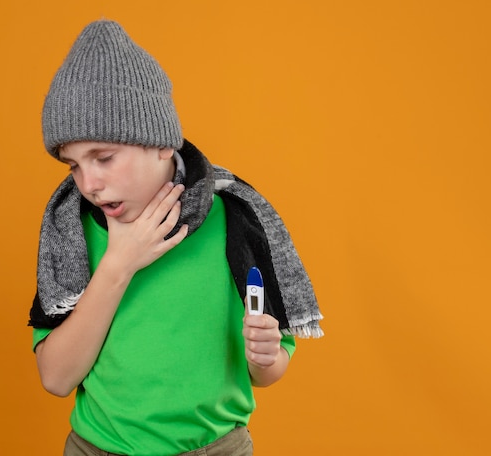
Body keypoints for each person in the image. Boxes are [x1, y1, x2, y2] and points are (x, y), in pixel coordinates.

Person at [29, 19, 323, 456]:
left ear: (161, 142)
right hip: (97, 448)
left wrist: (267, 357)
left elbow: (269, 369)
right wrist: (118, 264)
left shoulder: (236, 221)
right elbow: (55, 378)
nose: (88, 182)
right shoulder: (70, 231)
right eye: (73, 165)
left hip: (218, 448)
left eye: (104, 157)